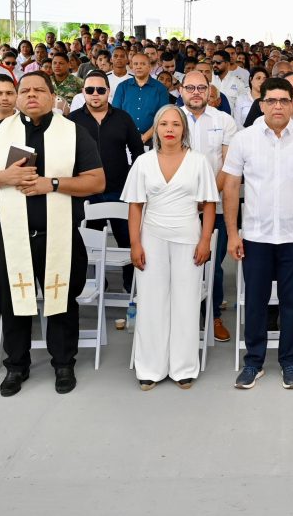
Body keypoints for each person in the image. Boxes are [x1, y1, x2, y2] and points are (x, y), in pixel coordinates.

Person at [0, 72, 106, 397]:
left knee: (61, 300)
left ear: (51, 95)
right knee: (12, 301)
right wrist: (6, 176)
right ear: (15, 96)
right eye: (24, 90)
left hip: (59, 234)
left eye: (38, 90)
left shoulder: (73, 132)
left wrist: (52, 184)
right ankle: (17, 365)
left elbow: (96, 181)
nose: (31, 95)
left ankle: (63, 363)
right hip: (10, 235)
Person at [223, 78, 293, 391]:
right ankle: (253, 361)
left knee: (291, 302)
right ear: (261, 102)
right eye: (272, 100)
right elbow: (230, 186)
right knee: (255, 302)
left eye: (285, 100)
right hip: (255, 235)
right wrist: (232, 233)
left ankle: (288, 361)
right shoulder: (244, 139)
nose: (279, 106)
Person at [123, 105, 218, 390]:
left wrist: (205, 240)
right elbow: (136, 206)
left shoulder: (199, 161)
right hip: (151, 237)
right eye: (163, 124)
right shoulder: (143, 162)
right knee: (152, 301)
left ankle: (183, 367)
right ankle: (150, 367)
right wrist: (135, 243)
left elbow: (210, 204)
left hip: (189, 237)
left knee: (186, 301)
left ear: (183, 130)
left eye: (175, 124)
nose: (169, 130)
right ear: (156, 129)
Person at [69, 70, 145, 295]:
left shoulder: (123, 118)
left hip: (120, 191)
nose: (95, 94)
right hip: (86, 192)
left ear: (108, 92)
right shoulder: (72, 120)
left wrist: (132, 178)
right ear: (83, 92)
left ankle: (132, 289)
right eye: (90, 90)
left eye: (100, 90)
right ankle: (94, 288)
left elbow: (138, 151)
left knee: (128, 240)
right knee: (87, 244)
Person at [178, 71, 238, 342]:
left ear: (209, 91)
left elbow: (230, 165)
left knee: (212, 262)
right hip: (179, 205)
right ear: (181, 91)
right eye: (190, 87)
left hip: (217, 202)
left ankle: (212, 315)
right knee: (183, 261)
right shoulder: (171, 118)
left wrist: (208, 196)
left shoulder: (224, 121)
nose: (195, 92)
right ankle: (185, 317)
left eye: (201, 87)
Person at [113, 49, 168, 145]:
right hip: (125, 138)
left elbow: (163, 117)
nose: (138, 67)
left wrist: (146, 136)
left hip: (152, 140)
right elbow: (115, 114)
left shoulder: (160, 89)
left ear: (150, 67)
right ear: (131, 66)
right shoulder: (122, 87)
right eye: (135, 64)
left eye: (142, 64)